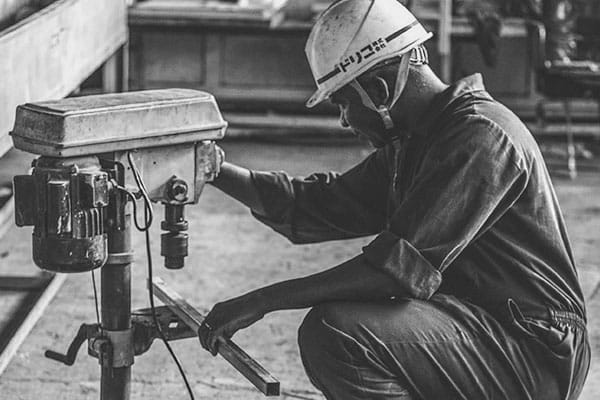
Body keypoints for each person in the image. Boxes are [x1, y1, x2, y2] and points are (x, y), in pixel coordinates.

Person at [198, 0, 590, 398]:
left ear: (378, 91)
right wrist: (212, 169)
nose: (345, 120)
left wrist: (264, 299)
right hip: (482, 327)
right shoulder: (418, 143)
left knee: (339, 333)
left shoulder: (480, 136)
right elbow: (314, 205)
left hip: (534, 348)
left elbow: (395, 270)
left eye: (344, 103)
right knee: (346, 326)